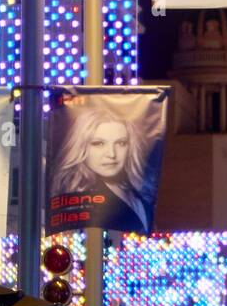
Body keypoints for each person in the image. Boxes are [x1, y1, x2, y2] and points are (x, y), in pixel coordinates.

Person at [48, 100, 156, 233]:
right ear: (81, 147)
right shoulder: (77, 197)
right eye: (98, 143)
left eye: (121, 143)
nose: (111, 154)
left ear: (130, 147)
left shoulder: (138, 194)